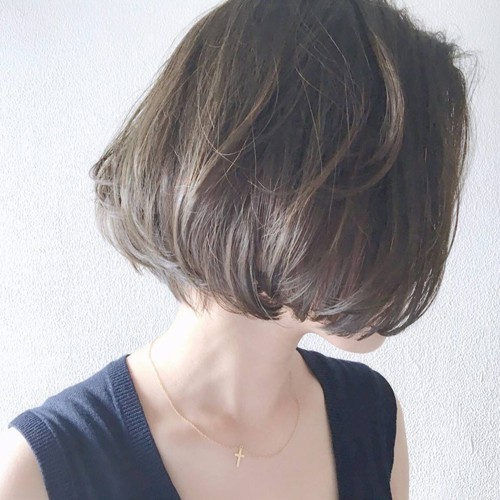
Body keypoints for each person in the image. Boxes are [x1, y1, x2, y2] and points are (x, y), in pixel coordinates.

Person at [0, 0, 476, 497]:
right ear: (274, 192)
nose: (413, 247)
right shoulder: (44, 469)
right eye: (390, 203)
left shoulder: (371, 417)